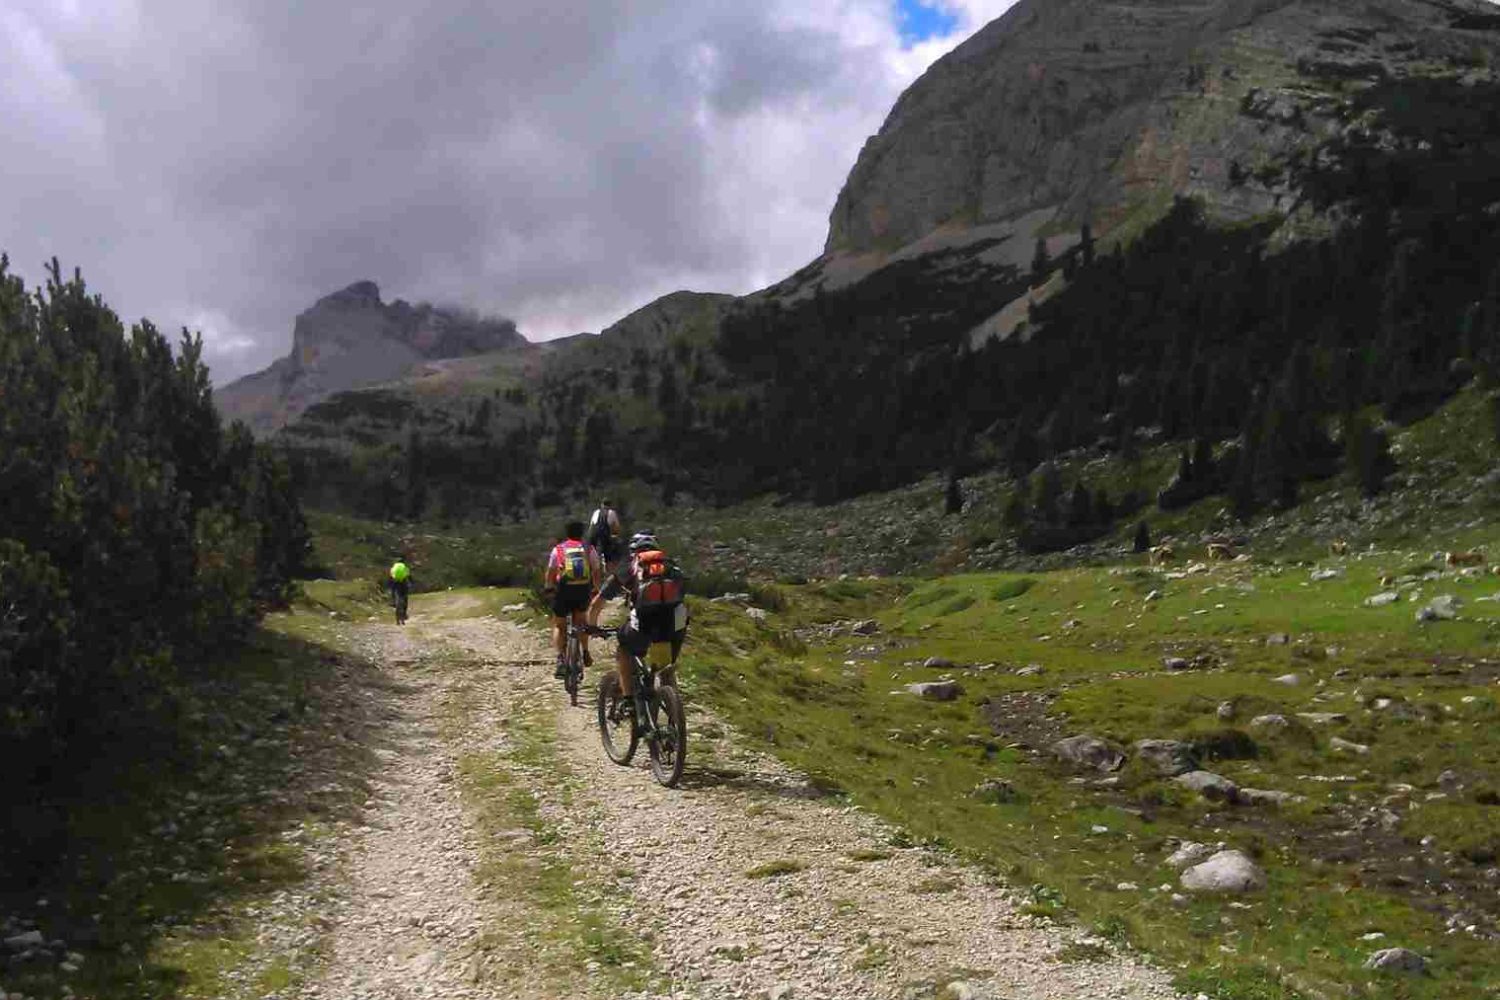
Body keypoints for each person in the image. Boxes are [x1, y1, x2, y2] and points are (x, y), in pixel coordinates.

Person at [587, 531, 688, 713]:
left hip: (645, 621)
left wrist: (592, 627)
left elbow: (597, 604)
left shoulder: (629, 568)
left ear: (633, 550)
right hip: (675, 622)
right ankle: (673, 715)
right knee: (666, 668)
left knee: (625, 649)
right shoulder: (672, 567)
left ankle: (628, 701)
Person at [544, 521, 602, 678]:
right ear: (582, 533)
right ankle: (585, 652)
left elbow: (551, 571)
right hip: (582, 590)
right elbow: (596, 571)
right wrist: (596, 588)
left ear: (567, 533)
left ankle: (561, 659)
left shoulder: (559, 550)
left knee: (559, 625)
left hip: (563, 590)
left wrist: (548, 587)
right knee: (581, 623)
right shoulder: (588, 549)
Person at [587, 498, 623, 570]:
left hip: (594, 537)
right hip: (605, 537)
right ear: (610, 505)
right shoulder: (611, 512)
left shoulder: (596, 512)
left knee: (595, 555)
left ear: (601, 504)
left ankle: (594, 571)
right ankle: (609, 572)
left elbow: (591, 526)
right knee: (608, 556)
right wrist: (616, 535)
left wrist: (589, 538)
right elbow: (616, 527)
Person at [389, 557, 411, 624]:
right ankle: (404, 614)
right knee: (405, 597)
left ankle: (393, 602)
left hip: (395, 583)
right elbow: (408, 576)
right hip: (403, 584)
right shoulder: (405, 567)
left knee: (394, 594)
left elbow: (391, 576)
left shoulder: (393, 568)